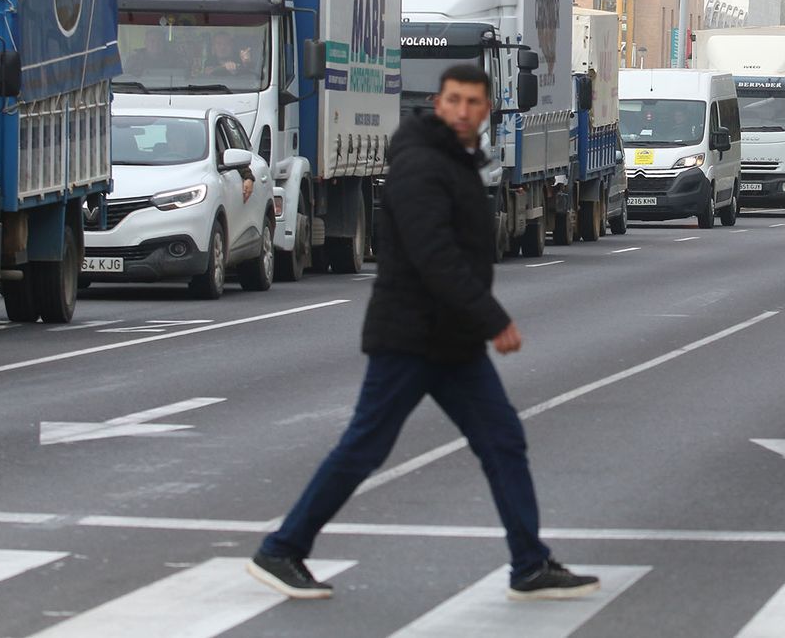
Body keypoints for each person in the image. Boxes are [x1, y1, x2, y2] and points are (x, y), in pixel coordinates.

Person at [247, 63, 599, 603]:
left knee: (503, 441)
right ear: (439, 104)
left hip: (451, 343)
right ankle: (282, 548)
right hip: (410, 338)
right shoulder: (419, 165)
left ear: (485, 110)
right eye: (454, 100)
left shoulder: (455, 161)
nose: (463, 110)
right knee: (364, 448)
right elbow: (433, 256)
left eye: (473, 102)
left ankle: (529, 564)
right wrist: (493, 319)